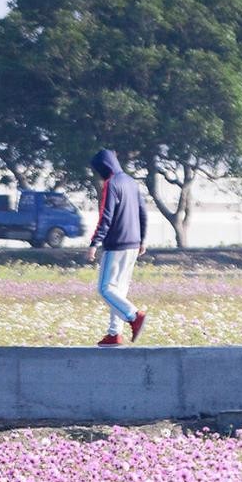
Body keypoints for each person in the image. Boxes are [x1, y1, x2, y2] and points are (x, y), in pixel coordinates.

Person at [87, 149, 148, 347]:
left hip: (115, 245)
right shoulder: (131, 182)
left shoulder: (111, 184)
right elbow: (143, 213)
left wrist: (95, 242)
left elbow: (106, 216)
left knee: (105, 289)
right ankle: (114, 334)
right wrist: (143, 239)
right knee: (118, 291)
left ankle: (134, 316)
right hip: (133, 244)